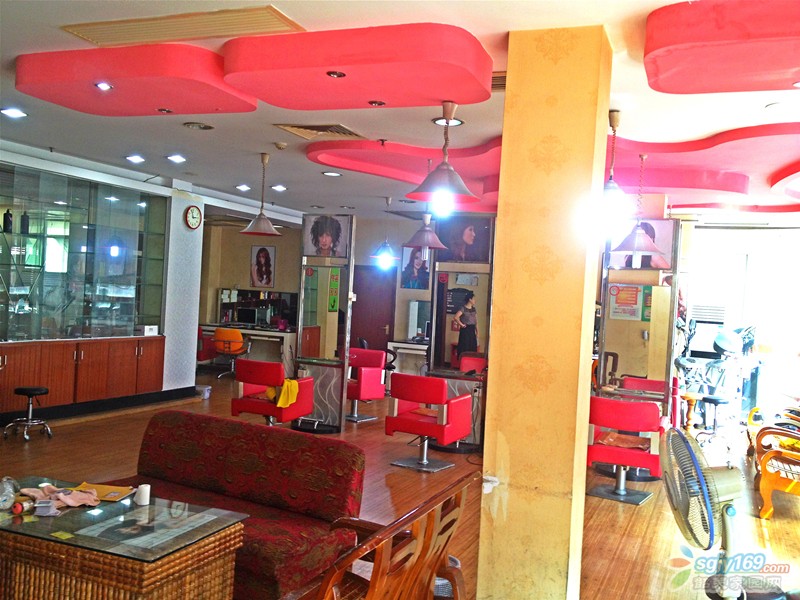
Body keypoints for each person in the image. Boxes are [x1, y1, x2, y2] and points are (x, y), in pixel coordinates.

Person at [452, 291, 478, 358]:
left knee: (472, 346)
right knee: (465, 346)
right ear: (470, 299)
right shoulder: (463, 308)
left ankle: (471, 361)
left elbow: (475, 321)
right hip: (465, 330)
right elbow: (455, 317)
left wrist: (477, 331)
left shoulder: (474, 309)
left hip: (472, 329)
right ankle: (463, 360)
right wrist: (461, 324)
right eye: (474, 299)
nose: (475, 300)